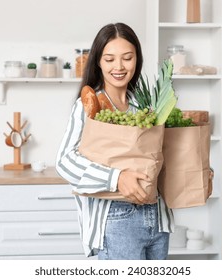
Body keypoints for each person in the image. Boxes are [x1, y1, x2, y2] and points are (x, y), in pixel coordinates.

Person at [56, 22, 174, 260]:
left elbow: (160, 156)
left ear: (137, 60)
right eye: (109, 59)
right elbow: (64, 161)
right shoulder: (89, 106)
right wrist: (117, 178)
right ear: (98, 62)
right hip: (116, 218)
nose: (118, 67)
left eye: (127, 58)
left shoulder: (147, 106)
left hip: (158, 217)